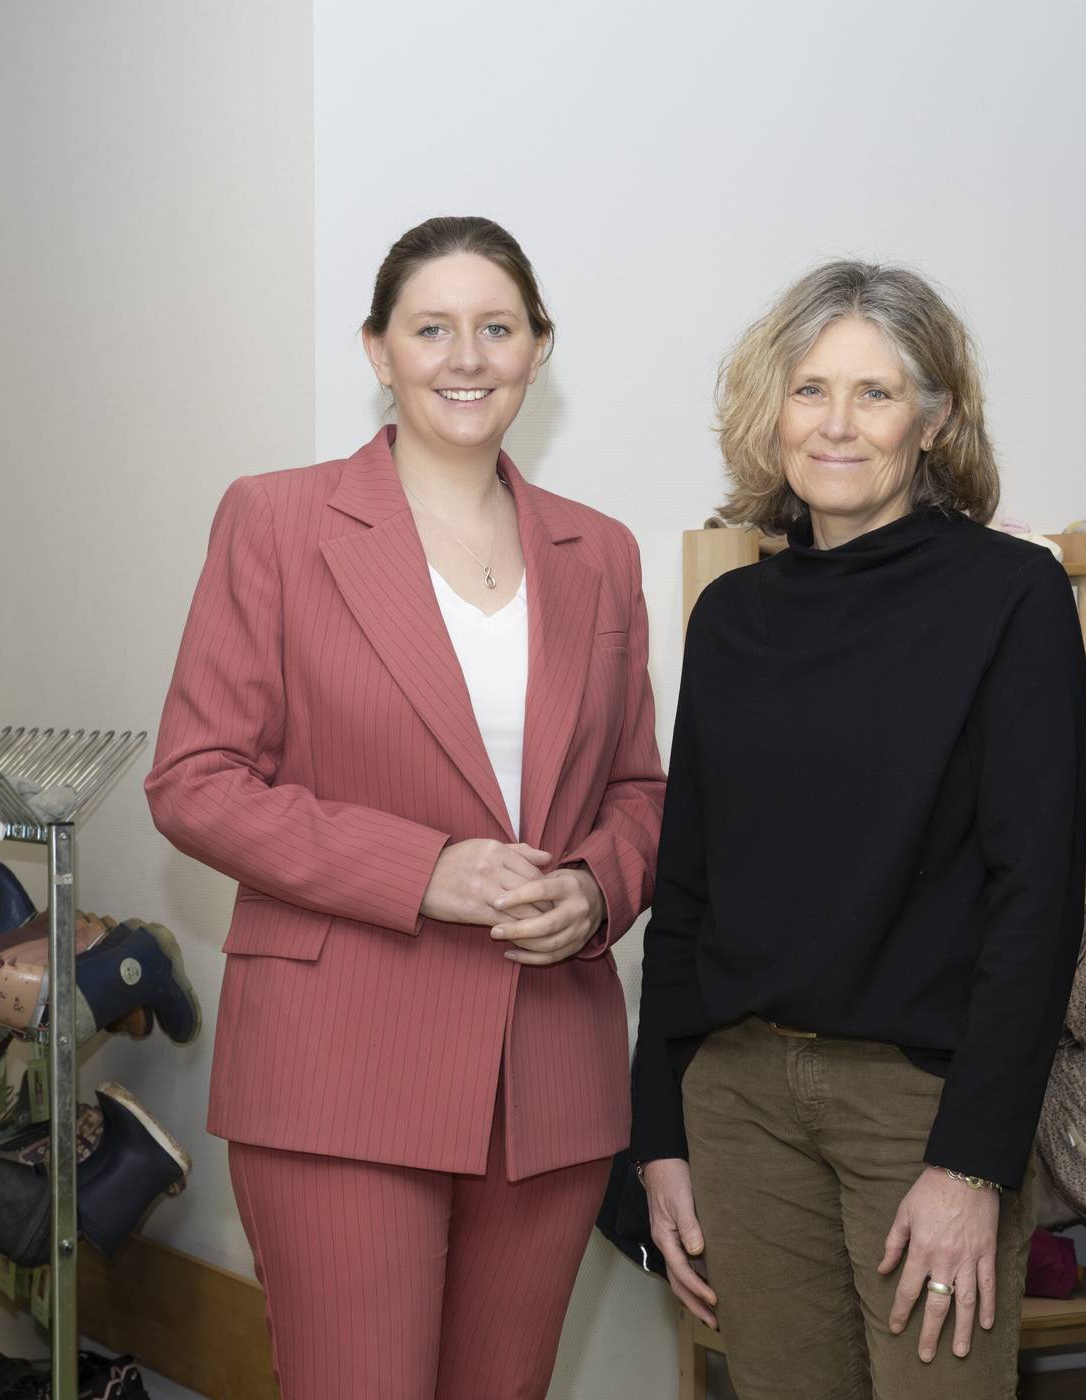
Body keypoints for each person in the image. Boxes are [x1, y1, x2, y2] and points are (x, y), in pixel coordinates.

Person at [146, 216, 664, 1400]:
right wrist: (422, 868)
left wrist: (593, 890)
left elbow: (639, 788)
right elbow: (196, 777)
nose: (466, 356)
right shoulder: (276, 520)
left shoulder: (604, 552)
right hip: (343, 1055)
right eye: (432, 328)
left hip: (550, 1068)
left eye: (497, 326)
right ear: (378, 350)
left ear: (540, 347)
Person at [631, 260, 1086, 1399]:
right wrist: (660, 1138)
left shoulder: (1011, 594)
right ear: (769, 408)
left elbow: (1036, 894)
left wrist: (975, 1162)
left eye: (876, 394)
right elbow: (682, 886)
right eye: (809, 389)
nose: (837, 424)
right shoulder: (731, 615)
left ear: (933, 420)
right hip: (736, 1100)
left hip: (919, 1108)